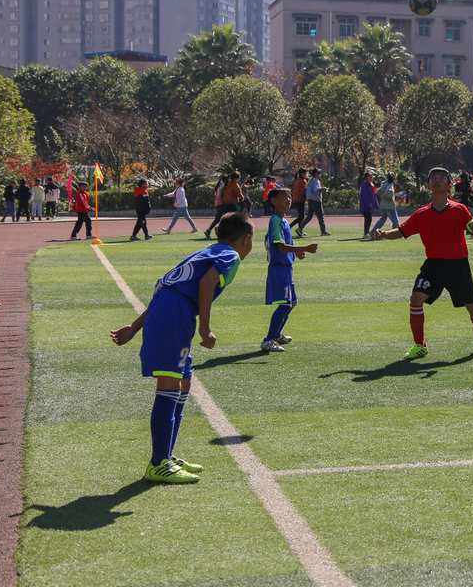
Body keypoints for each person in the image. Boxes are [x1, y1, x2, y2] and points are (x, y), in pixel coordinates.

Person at [109, 212, 254, 484]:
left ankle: (166, 455)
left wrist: (134, 327)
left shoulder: (207, 251)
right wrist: (205, 328)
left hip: (171, 311)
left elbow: (166, 287)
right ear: (246, 239)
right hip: (175, 314)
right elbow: (206, 283)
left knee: (183, 384)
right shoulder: (230, 256)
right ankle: (158, 463)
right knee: (169, 385)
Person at [372, 167, 473, 359]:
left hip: (457, 265)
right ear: (429, 185)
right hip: (433, 265)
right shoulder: (421, 214)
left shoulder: (460, 210)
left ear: (449, 184)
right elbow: (402, 231)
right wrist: (383, 234)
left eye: (441, 178)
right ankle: (420, 345)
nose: (437, 180)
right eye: (433, 178)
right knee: (416, 299)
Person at [261, 188, 318, 352]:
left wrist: (298, 252)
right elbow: (278, 245)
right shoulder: (276, 221)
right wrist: (305, 247)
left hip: (286, 268)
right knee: (286, 304)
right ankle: (269, 339)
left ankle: (277, 334)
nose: (288, 199)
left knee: (292, 303)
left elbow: (286, 244)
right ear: (273, 201)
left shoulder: (283, 221)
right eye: (284, 197)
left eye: (290, 196)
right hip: (279, 269)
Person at [205, 173, 243, 240]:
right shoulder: (233, 184)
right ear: (236, 178)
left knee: (221, 218)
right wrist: (241, 198)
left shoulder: (225, 184)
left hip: (222, 204)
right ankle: (221, 230)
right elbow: (239, 194)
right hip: (229, 204)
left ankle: (213, 230)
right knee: (235, 218)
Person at [301, 168, 327, 236]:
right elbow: (316, 190)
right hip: (316, 200)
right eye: (319, 173)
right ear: (316, 174)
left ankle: (300, 228)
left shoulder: (310, 180)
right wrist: (323, 189)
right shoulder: (315, 180)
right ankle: (323, 231)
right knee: (320, 216)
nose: (319, 175)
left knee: (309, 216)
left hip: (310, 199)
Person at [358, 171, 379, 239]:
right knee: (368, 219)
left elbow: (374, 195)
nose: (371, 178)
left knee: (368, 219)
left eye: (371, 177)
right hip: (365, 205)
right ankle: (366, 233)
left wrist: (376, 204)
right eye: (370, 177)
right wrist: (368, 204)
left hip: (370, 206)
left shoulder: (372, 184)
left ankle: (366, 233)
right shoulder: (364, 185)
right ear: (366, 177)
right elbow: (364, 196)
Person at [289, 169, 309, 237]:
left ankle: (300, 231)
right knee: (301, 217)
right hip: (300, 200)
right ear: (302, 174)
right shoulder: (302, 181)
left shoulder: (297, 180)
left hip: (296, 199)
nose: (307, 174)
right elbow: (304, 191)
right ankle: (289, 227)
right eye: (306, 173)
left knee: (301, 216)